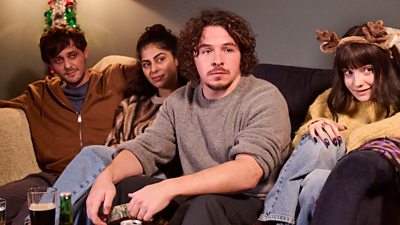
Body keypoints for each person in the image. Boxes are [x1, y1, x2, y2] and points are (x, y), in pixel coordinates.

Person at [86, 9, 291, 225]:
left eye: (228, 49)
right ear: (192, 58)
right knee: (123, 188)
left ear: (242, 55)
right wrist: (106, 177)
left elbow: (248, 172)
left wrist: (169, 187)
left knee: (204, 205)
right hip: (195, 194)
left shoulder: (264, 97)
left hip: (249, 203)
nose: (217, 60)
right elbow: (146, 148)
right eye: (206, 51)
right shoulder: (179, 101)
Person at [258, 20, 400, 225]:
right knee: (320, 153)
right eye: (348, 72)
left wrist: (353, 139)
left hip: (348, 182)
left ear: (384, 67)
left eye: (367, 70)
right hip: (316, 174)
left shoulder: (395, 101)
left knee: (324, 165)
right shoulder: (329, 99)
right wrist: (312, 126)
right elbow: (297, 154)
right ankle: (275, 218)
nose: (357, 82)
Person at [0, 24, 137, 225]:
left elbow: (153, 63)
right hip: (52, 179)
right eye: (59, 60)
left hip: (99, 176)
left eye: (72, 55)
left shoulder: (112, 78)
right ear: (51, 66)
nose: (68, 66)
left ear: (85, 52)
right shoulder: (39, 94)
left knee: (31, 217)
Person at [51, 24, 186, 224]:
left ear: (176, 58)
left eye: (160, 59)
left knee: (92, 154)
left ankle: (38, 219)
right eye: (146, 64)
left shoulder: (189, 102)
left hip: (163, 178)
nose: (154, 69)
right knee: (98, 173)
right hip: (122, 173)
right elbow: (112, 147)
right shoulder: (131, 105)